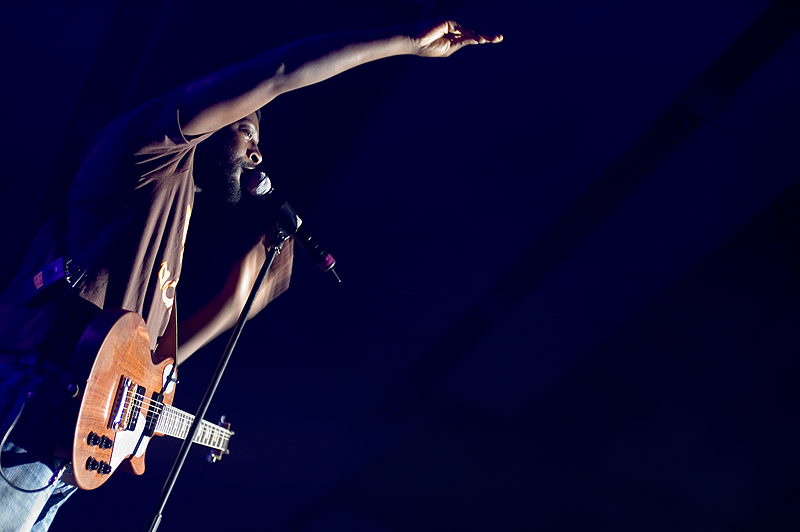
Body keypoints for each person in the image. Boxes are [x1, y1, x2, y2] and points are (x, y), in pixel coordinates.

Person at [0, 19, 502, 531]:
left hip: (60, 453)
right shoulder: (143, 148)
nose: (257, 152)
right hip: (29, 402)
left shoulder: (171, 228)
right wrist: (403, 43)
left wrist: (233, 305)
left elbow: (136, 368)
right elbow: (278, 73)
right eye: (246, 128)